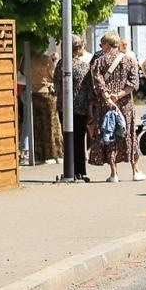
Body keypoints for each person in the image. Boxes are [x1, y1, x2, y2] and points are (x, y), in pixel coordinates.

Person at [87, 32, 145, 183]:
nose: (101, 47)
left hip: (106, 106)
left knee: (109, 135)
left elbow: (99, 85)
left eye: (102, 44)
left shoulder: (99, 62)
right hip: (125, 105)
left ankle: (114, 173)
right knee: (129, 134)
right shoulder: (129, 60)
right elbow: (133, 84)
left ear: (107, 44)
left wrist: (108, 98)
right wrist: (118, 95)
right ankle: (135, 170)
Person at [54, 35, 93, 181]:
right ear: (79, 48)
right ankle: (80, 170)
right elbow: (89, 89)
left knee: (68, 138)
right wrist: (90, 107)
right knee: (79, 138)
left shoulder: (61, 65)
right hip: (81, 108)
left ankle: (69, 169)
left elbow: (56, 85)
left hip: (65, 107)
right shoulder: (84, 66)